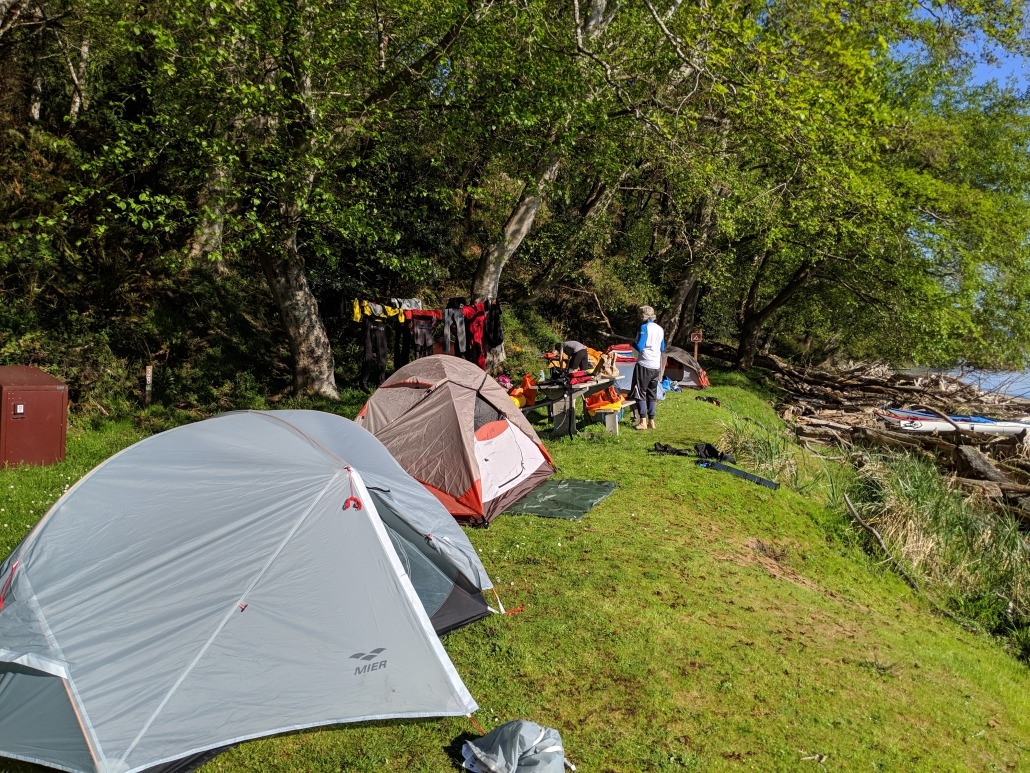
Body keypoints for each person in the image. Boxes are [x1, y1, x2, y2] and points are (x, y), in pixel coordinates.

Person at [630, 305, 665, 430]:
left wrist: (633, 343)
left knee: (640, 392)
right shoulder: (660, 329)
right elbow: (662, 348)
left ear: (643, 316)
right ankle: (652, 421)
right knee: (652, 394)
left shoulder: (644, 327)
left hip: (644, 364)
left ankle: (642, 422)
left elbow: (639, 346)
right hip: (656, 366)